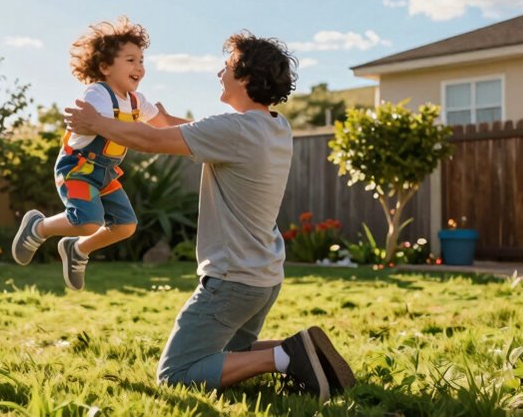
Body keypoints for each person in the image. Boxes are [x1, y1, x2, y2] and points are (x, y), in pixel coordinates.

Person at [63, 31, 355, 400]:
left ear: (246, 78)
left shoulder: (233, 130)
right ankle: (304, 350)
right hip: (263, 276)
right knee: (223, 358)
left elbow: (151, 141)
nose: (220, 73)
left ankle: (285, 356)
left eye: (228, 67)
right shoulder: (273, 126)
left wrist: (96, 123)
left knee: (177, 374)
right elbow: (180, 129)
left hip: (232, 279)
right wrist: (154, 113)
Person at [11, 16, 188, 290]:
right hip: (78, 169)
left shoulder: (136, 101)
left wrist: (206, 129)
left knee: (125, 225)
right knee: (88, 221)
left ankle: (78, 250)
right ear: (105, 66)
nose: (139, 67)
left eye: (141, 60)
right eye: (130, 60)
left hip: (104, 174)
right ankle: (38, 227)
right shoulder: (98, 94)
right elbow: (114, 130)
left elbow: (164, 123)